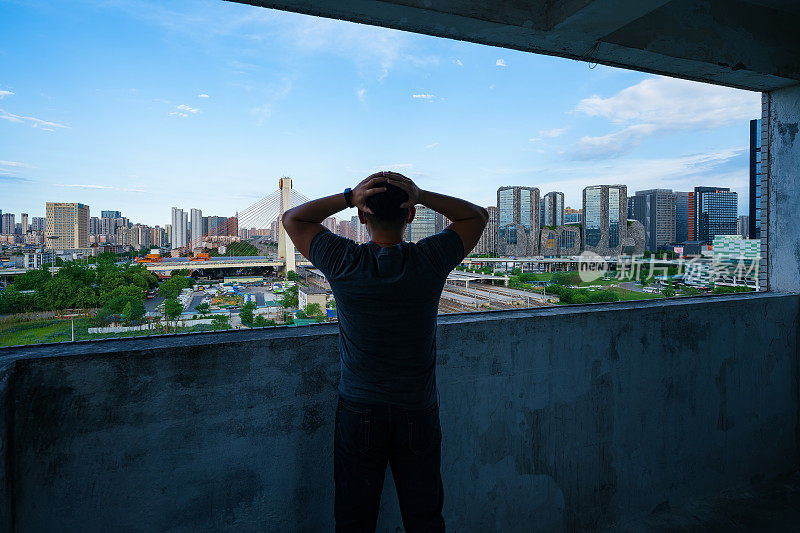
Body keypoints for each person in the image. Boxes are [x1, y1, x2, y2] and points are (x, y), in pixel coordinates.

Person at [282, 172, 488, 532]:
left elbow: (293, 218)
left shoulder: (343, 260)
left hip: (359, 409)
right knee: (424, 518)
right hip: (417, 409)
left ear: (362, 216)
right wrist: (421, 194)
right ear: (410, 215)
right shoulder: (430, 260)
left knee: (353, 519)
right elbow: (476, 217)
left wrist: (349, 196)